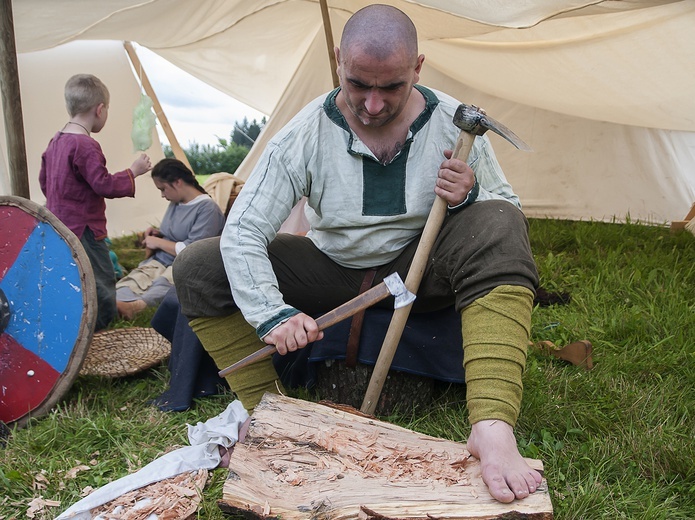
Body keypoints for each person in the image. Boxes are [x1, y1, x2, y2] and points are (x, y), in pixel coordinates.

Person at [173, 4, 542, 504]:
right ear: (337, 60)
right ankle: (269, 417)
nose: (371, 105)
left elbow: (510, 214)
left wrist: (470, 195)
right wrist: (270, 312)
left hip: (420, 267)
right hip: (329, 271)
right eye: (357, 84)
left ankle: (492, 428)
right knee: (198, 265)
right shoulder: (304, 133)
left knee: (497, 222)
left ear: (418, 67)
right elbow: (242, 231)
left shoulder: (456, 126)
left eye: (391, 87)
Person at [40, 73, 152, 331]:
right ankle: (100, 331)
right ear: (99, 109)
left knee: (71, 278)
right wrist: (132, 172)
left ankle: (76, 325)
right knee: (99, 278)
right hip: (85, 230)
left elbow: (45, 181)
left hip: (59, 225)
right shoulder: (85, 145)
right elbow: (103, 183)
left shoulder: (56, 141)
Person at [115, 158, 225, 320]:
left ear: (178, 182)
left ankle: (136, 308)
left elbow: (194, 252)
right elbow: (177, 233)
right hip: (160, 260)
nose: (162, 195)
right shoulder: (176, 201)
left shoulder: (207, 209)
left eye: (163, 189)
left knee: (164, 284)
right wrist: (158, 234)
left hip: (185, 267)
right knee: (133, 282)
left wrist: (158, 242)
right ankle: (118, 303)